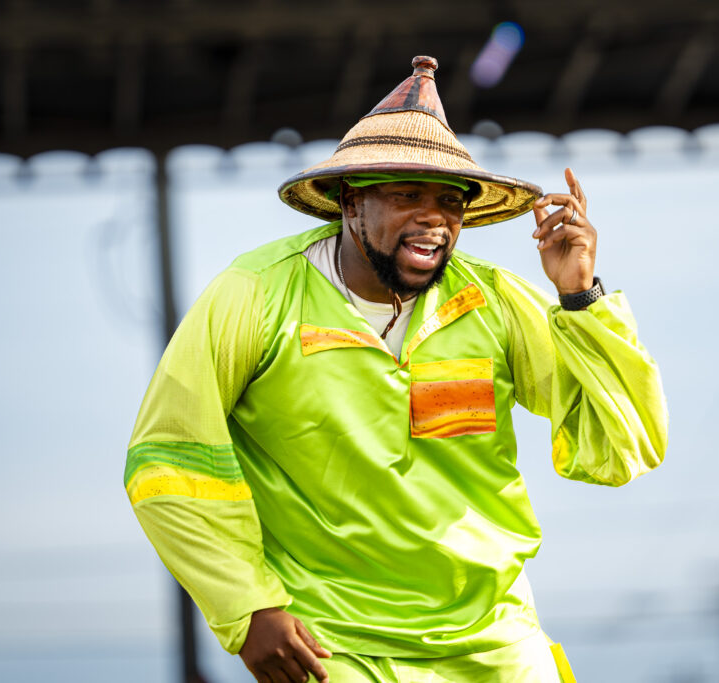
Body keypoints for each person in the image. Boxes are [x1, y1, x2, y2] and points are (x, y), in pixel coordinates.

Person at [125, 56, 668, 683]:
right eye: (406, 195)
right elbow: (168, 456)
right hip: (335, 646)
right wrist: (246, 607)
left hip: (496, 645)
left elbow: (622, 444)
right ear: (350, 202)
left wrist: (579, 298)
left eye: (449, 201)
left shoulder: (494, 300)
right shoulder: (252, 295)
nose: (434, 218)